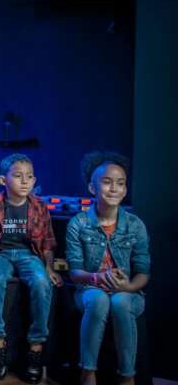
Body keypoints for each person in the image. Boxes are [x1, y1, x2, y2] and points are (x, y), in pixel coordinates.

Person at [0, 153, 63, 382]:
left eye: (29, 177)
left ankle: (36, 347)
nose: (25, 181)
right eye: (18, 176)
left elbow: (47, 243)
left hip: (28, 255)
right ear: (3, 180)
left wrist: (49, 268)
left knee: (42, 282)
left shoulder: (39, 206)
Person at [66, 151, 150, 385]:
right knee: (100, 299)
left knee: (120, 301)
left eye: (120, 183)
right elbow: (75, 272)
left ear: (125, 189)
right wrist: (97, 277)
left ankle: (127, 376)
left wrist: (130, 285)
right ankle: (88, 372)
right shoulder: (78, 223)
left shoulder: (135, 225)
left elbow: (143, 271)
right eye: (107, 182)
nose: (114, 188)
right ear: (92, 188)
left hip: (128, 292)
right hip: (89, 290)